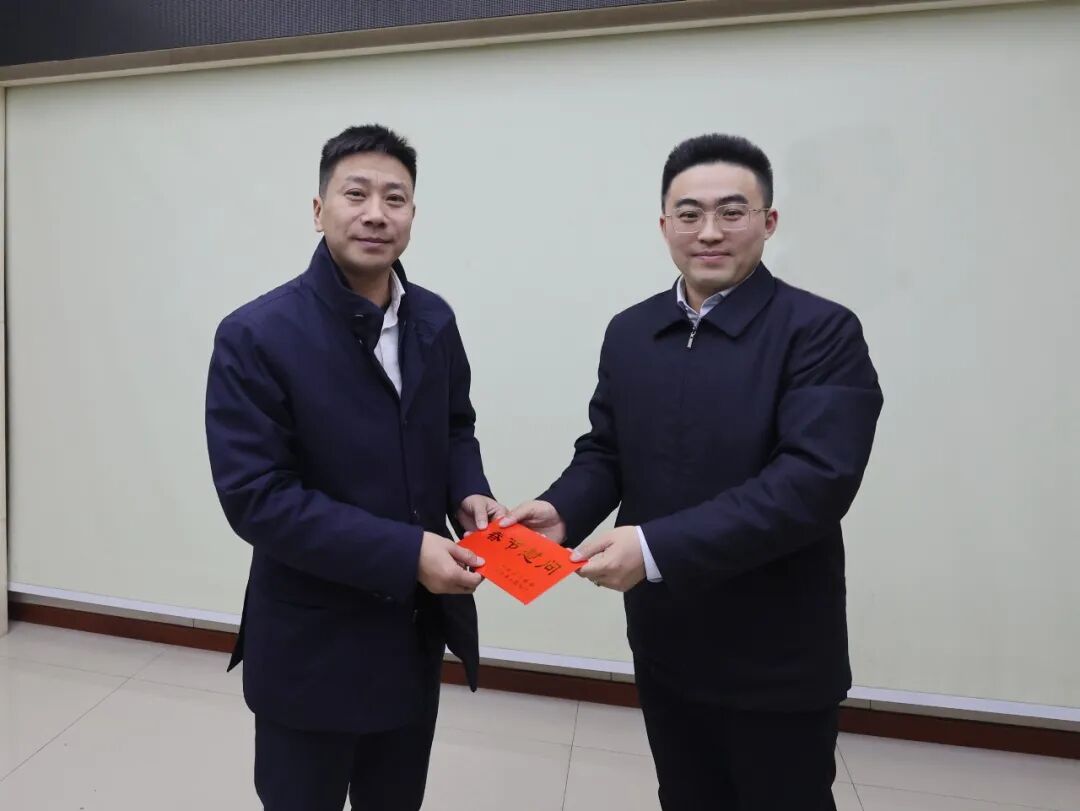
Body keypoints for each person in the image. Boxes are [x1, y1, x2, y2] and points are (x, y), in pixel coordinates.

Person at [503, 134, 883, 810]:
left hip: (778, 649)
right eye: (689, 213)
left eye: (732, 212)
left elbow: (812, 485)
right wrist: (562, 511)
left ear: (768, 221)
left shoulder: (820, 331)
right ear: (664, 226)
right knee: (685, 794)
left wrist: (653, 548)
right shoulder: (631, 331)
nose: (709, 231)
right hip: (667, 638)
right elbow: (607, 450)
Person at [205, 124, 504, 811]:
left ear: (413, 214)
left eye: (394, 198)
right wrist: (409, 553)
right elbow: (258, 498)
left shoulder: (434, 320)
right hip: (310, 642)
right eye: (356, 194)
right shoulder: (256, 334)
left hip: (410, 636)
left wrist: (469, 492)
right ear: (319, 210)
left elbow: (454, 426)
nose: (376, 213)